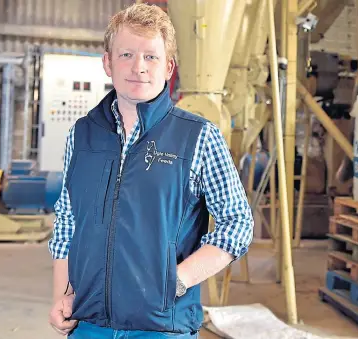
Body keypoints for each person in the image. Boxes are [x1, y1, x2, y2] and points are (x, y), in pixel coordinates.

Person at [46, 4, 254, 338]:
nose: (138, 67)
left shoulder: (197, 136)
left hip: (161, 326)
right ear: (107, 62)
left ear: (168, 67)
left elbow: (238, 223)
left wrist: (178, 280)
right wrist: (62, 297)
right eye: (126, 54)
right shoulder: (82, 134)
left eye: (151, 57)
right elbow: (67, 222)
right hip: (89, 323)